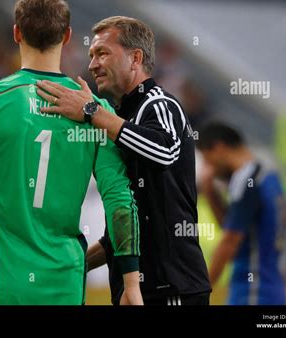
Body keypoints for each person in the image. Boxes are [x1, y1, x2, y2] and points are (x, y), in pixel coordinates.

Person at [0, 0, 142, 305]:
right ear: (67, 36)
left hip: (0, 285)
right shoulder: (96, 111)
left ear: (16, 32)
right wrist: (131, 284)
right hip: (65, 285)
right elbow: (121, 204)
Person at [37, 16, 211, 305]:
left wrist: (91, 110)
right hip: (136, 292)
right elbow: (120, 238)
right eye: (92, 55)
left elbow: (165, 151)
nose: (92, 64)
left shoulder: (159, 103)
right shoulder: (120, 119)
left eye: (103, 53)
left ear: (135, 58)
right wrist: (67, 268)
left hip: (173, 289)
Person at [198, 122, 286, 305]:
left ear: (219, 148)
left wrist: (201, 290)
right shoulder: (267, 176)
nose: (209, 168)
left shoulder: (247, 181)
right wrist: (210, 192)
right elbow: (234, 226)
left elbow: (230, 241)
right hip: (271, 285)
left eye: (207, 159)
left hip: (253, 289)